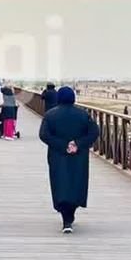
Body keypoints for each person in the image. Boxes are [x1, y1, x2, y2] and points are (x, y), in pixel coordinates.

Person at [39, 86, 101, 233]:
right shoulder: (83, 114)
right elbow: (94, 131)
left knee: (60, 184)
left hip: (57, 155)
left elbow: (44, 134)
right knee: (76, 184)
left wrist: (62, 145)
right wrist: (77, 144)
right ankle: (70, 215)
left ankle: (65, 217)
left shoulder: (50, 115)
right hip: (78, 156)